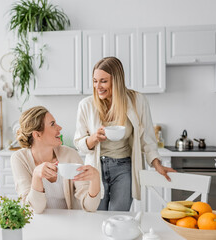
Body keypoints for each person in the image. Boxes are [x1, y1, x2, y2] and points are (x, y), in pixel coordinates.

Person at [74, 56, 175, 211]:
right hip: (95, 169)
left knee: (118, 219)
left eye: (103, 81)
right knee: (94, 217)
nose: (97, 86)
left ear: (117, 80)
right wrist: (93, 139)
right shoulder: (86, 105)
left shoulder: (137, 101)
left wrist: (156, 164)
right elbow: (79, 143)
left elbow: (147, 138)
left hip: (124, 168)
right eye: (95, 81)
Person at [11, 106, 101, 214]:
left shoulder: (70, 155)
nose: (60, 128)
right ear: (37, 134)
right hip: (38, 225)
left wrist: (95, 180)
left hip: (70, 224)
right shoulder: (19, 159)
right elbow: (33, 209)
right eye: (52, 124)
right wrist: (36, 176)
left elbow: (90, 207)